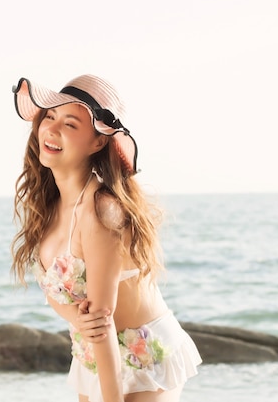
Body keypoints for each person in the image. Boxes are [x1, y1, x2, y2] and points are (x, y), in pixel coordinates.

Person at [10, 74, 201, 402]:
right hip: (94, 359)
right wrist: (75, 319)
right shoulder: (50, 206)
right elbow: (58, 294)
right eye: (50, 117)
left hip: (146, 357)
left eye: (70, 124)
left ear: (98, 141)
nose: (52, 130)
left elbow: (102, 321)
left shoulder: (100, 210)